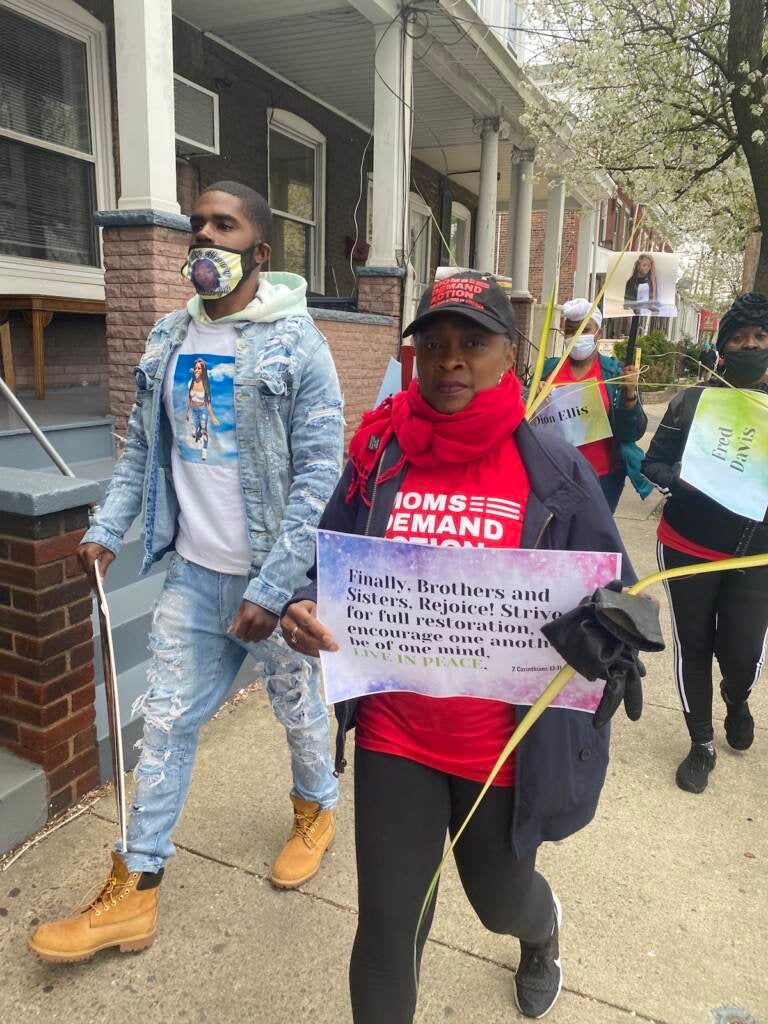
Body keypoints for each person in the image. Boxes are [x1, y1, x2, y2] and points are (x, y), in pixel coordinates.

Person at [281, 273, 650, 1022]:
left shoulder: (556, 471)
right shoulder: (378, 457)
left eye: (472, 343)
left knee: (499, 901)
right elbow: (324, 570)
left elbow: (623, 602)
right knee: (388, 928)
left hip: (503, 751)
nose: (450, 360)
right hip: (398, 735)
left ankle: (541, 933)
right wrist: (302, 608)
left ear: (507, 356)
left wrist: (603, 634)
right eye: (434, 344)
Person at [28, 182, 344, 962]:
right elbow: (143, 451)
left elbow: (319, 475)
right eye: (197, 223)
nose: (203, 235)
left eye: (223, 225)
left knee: (297, 711)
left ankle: (317, 808)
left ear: (259, 253)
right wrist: (107, 527)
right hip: (195, 577)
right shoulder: (169, 338)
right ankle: (133, 891)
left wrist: (273, 591)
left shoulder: (297, 343)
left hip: (275, 581)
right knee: (165, 721)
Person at [641, 292, 768, 794]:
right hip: (687, 544)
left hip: (756, 553)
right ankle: (701, 743)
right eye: (739, 337)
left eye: (760, 337)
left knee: (741, 651)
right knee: (693, 645)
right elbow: (652, 465)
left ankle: (736, 697)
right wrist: (679, 478)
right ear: (723, 347)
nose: (750, 345)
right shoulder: (692, 400)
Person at [541, 297, 649, 512]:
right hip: (555, 475)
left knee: (594, 542)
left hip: (602, 479)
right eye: (571, 330)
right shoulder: (549, 370)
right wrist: (532, 396)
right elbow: (528, 419)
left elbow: (632, 433)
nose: (577, 336)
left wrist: (629, 395)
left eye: (585, 329)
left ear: (598, 332)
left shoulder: (614, 374)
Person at [185, 357, 220, 459]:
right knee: (194, 431)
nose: (196, 370)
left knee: (204, 430)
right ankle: (197, 431)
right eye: (195, 368)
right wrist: (186, 412)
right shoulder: (191, 383)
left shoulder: (205, 385)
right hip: (193, 410)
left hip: (203, 410)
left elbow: (208, 403)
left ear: (203, 370)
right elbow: (189, 398)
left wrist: (213, 417)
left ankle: (204, 450)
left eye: (199, 368)